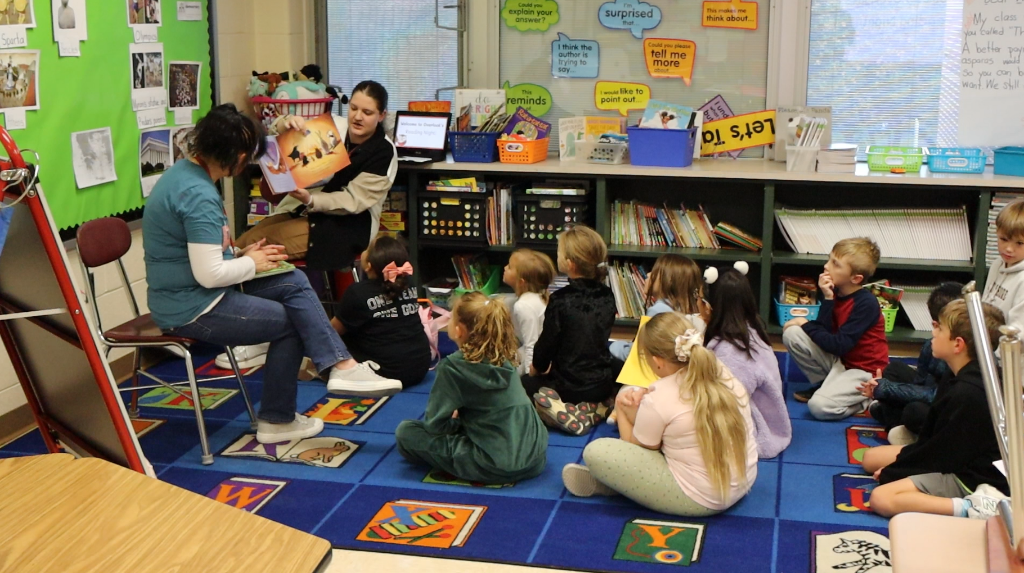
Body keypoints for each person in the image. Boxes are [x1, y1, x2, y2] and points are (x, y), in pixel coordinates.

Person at [141, 104, 402, 444]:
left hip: (199, 291)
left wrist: (244, 255)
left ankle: (342, 368)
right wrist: (252, 263)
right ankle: (278, 420)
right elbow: (209, 274)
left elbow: (204, 255)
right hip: (191, 307)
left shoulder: (189, 175)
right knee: (291, 322)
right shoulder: (197, 194)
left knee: (292, 280)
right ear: (234, 155)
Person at [221, 81, 398, 370]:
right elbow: (276, 129)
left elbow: (354, 201)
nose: (357, 117)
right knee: (241, 246)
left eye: (367, 112)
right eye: (353, 108)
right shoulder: (334, 127)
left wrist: (310, 199)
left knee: (260, 253)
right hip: (306, 211)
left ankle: (263, 337)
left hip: (346, 225)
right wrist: (285, 123)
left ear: (381, 115)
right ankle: (256, 329)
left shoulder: (384, 152)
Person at [561, 312, 758, 516]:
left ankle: (618, 486)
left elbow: (638, 449)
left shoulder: (659, 396)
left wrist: (621, 408)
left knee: (596, 451)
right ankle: (626, 486)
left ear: (657, 362)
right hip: (745, 479)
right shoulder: (718, 369)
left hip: (702, 499)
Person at [862, 300, 1009, 520]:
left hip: (975, 475)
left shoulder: (967, 393)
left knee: (882, 498)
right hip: (959, 456)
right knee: (870, 458)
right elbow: (935, 443)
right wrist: (902, 466)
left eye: (939, 328)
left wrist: (895, 472)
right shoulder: (961, 373)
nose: (933, 332)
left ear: (957, 344)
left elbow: (943, 457)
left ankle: (972, 508)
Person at [394, 292, 548, 484]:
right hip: (534, 458)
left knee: (406, 432)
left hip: (491, 464)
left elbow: (435, 425)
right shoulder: (505, 356)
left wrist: (456, 424)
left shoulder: (452, 367)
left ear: (458, 330)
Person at [526, 225, 621, 435]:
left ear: (569, 264)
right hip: (601, 383)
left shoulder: (560, 300)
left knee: (524, 384)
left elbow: (546, 346)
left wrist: (536, 368)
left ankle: (560, 411)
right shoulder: (607, 295)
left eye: (558, 253)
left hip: (569, 387)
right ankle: (599, 406)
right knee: (617, 364)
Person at [782, 237, 889, 420]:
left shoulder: (866, 303)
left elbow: (839, 344)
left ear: (855, 278)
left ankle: (867, 399)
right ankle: (824, 384)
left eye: (835, 264)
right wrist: (828, 298)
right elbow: (824, 331)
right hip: (841, 360)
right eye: (829, 259)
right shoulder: (837, 291)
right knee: (792, 333)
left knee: (818, 407)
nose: (826, 266)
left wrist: (804, 323)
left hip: (864, 371)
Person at [704, 268, 791, 459]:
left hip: (754, 421)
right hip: (765, 411)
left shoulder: (732, 350)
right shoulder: (752, 331)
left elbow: (729, 400)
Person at [860, 282, 962, 443]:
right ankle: (897, 422)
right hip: (931, 394)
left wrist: (887, 390)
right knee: (894, 370)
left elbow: (938, 397)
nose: (932, 331)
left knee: (914, 410)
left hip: (948, 409)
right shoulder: (931, 345)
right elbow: (920, 382)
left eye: (938, 327)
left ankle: (901, 428)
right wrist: (887, 389)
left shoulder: (965, 355)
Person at [335, 234, 431, 388]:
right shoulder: (408, 282)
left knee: (343, 337)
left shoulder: (357, 292)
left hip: (385, 373)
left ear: (369, 266)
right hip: (420, 366)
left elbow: (332, 332)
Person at [609, 254, 710, 362]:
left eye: (654, 272)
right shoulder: (687, 309)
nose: (648, 274)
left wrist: (613, 346)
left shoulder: (658, 311)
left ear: (667, 280)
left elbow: (638, 353)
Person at [502, 248, 556, 376]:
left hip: (540, 360)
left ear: (521, 282)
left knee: (504, 369)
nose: (504, 268)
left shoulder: (524, 306)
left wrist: (529, 378)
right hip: (545, 353)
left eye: (509, 267)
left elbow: (531, 344)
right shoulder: (538, 296)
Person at [983, 199, 1024, 332]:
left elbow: (1018, 334)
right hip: (986, 340)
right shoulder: (997, 264)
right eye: (1004, 239)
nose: (1009, 249)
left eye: (1019, 243)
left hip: (1007, 350)